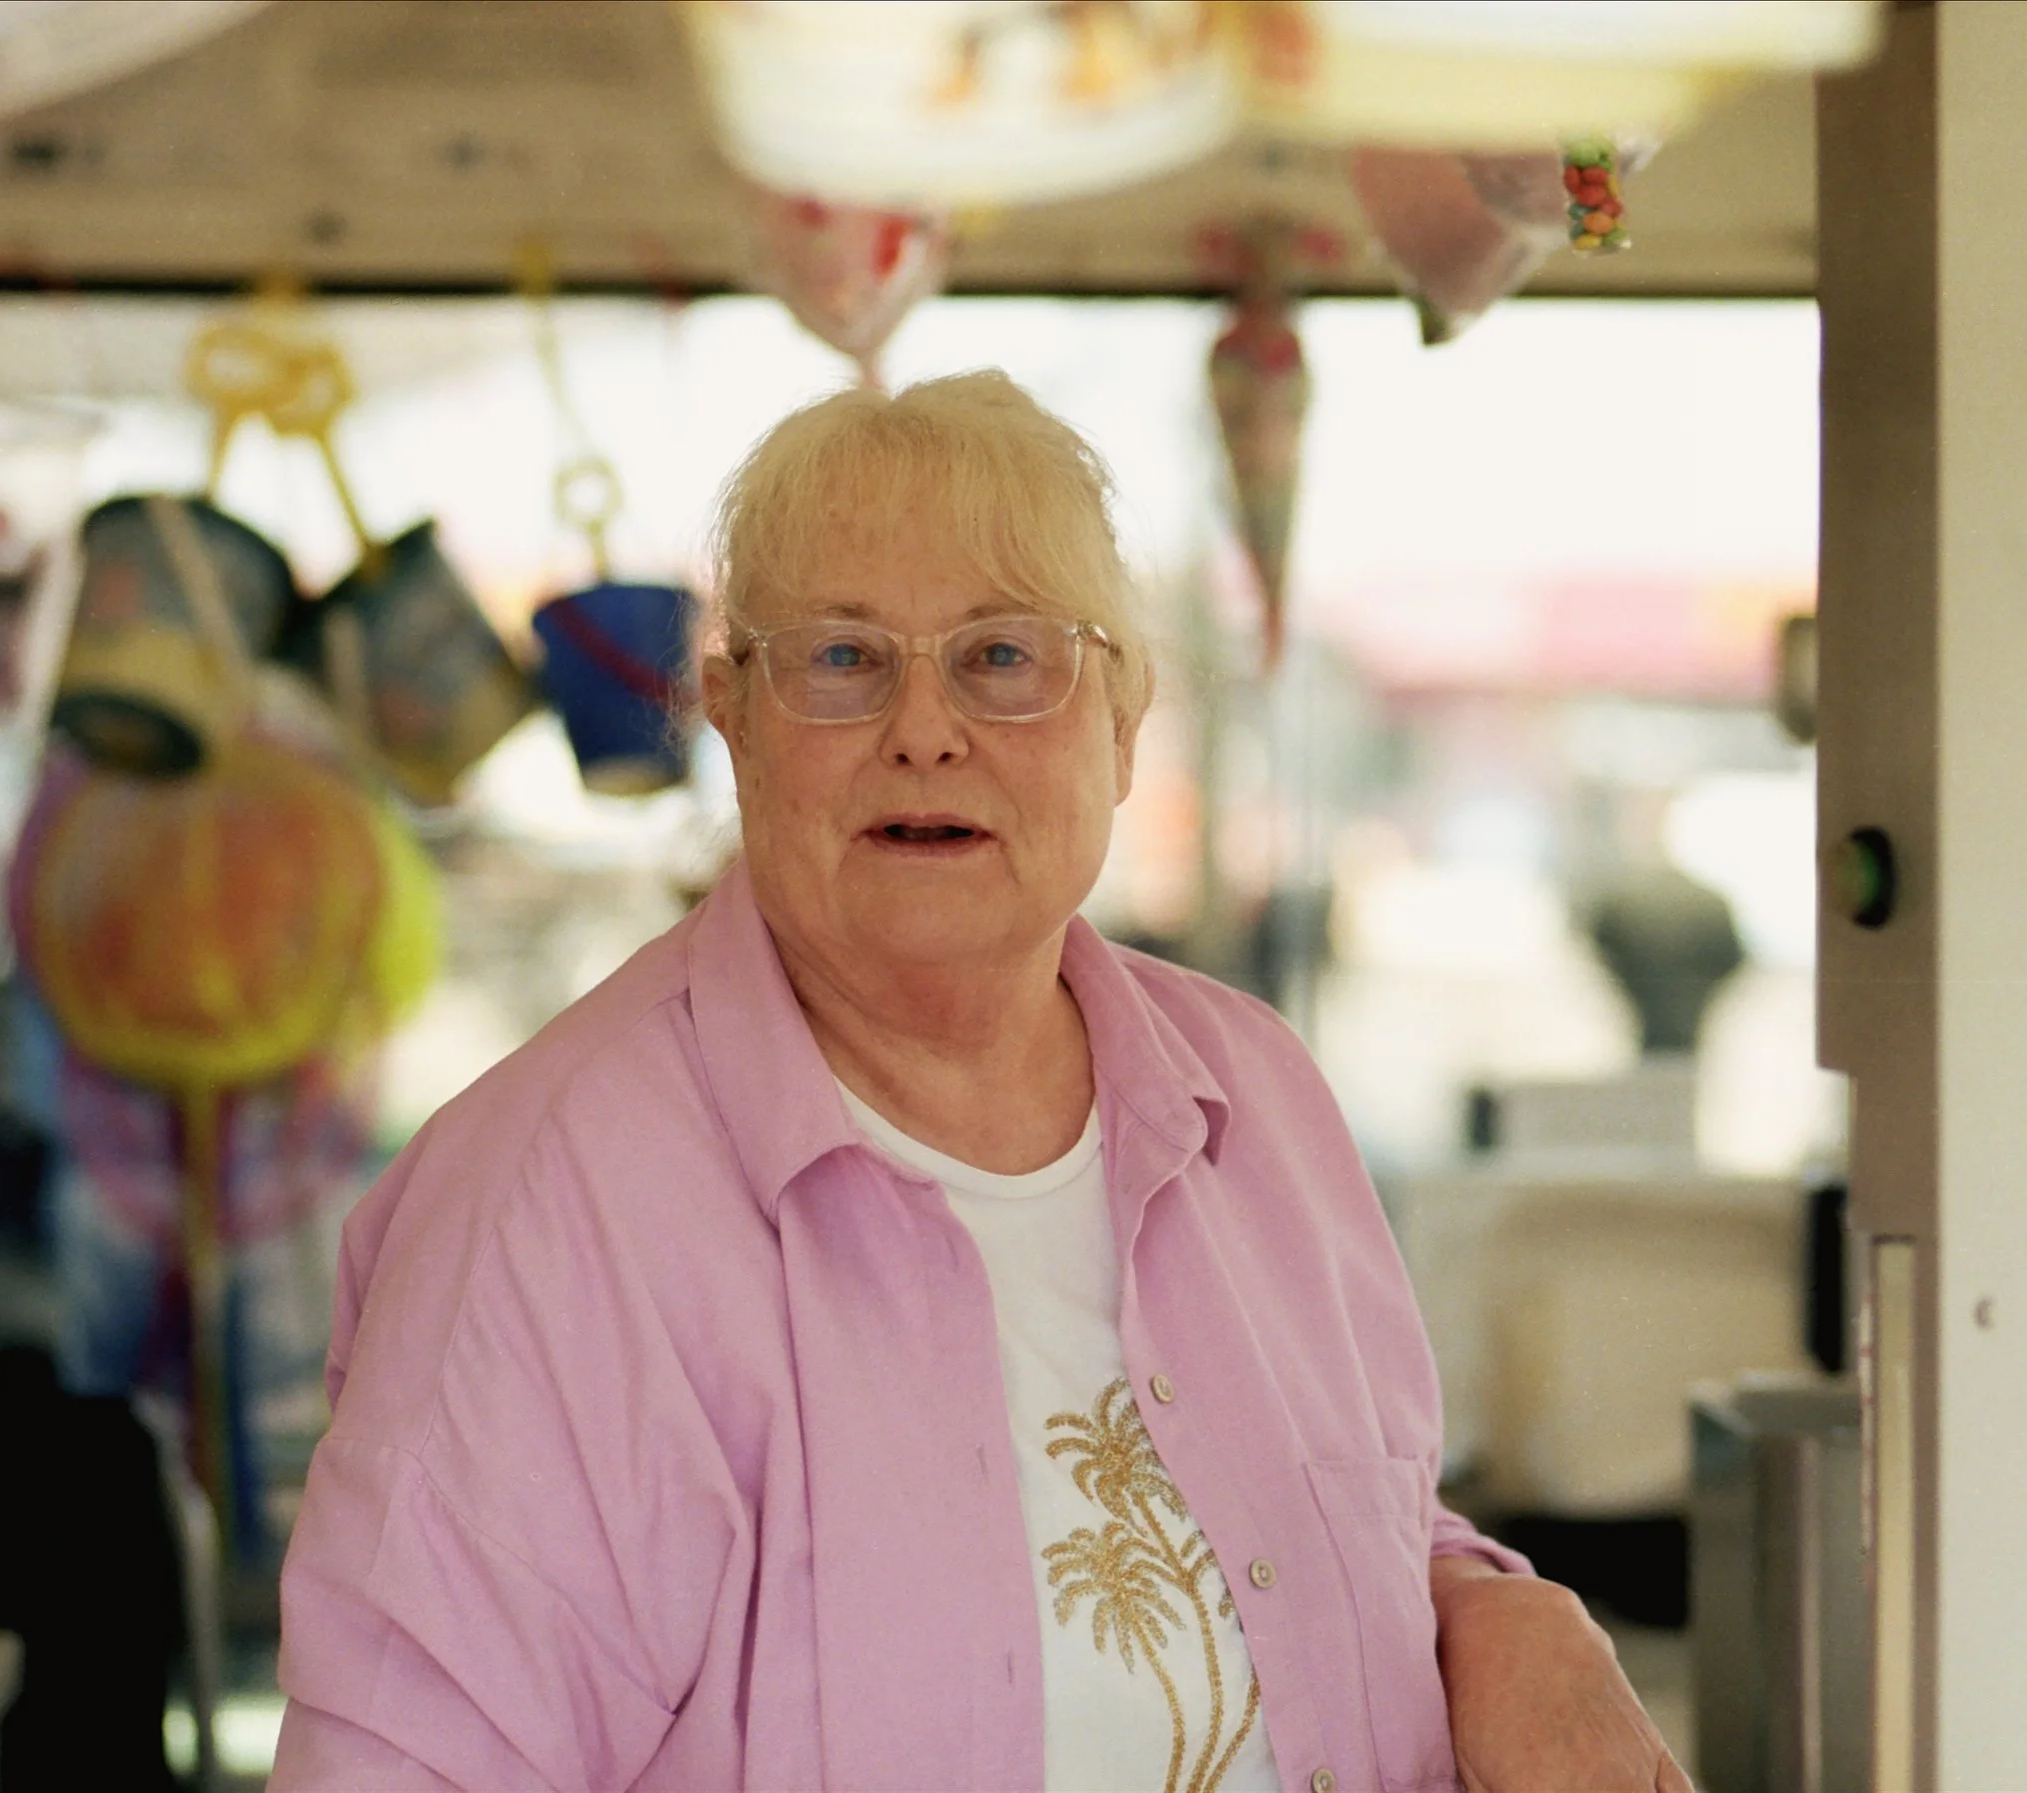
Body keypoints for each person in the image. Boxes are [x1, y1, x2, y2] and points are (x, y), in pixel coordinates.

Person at [271, 371, 1690, 1793]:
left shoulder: (1253, 1101)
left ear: (1125, 723)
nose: (926, 730)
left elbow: (1340, 1542)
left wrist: (1497, 1612)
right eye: (842, 660)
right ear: (733, 718)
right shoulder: (543, 1204)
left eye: (1007, 657)